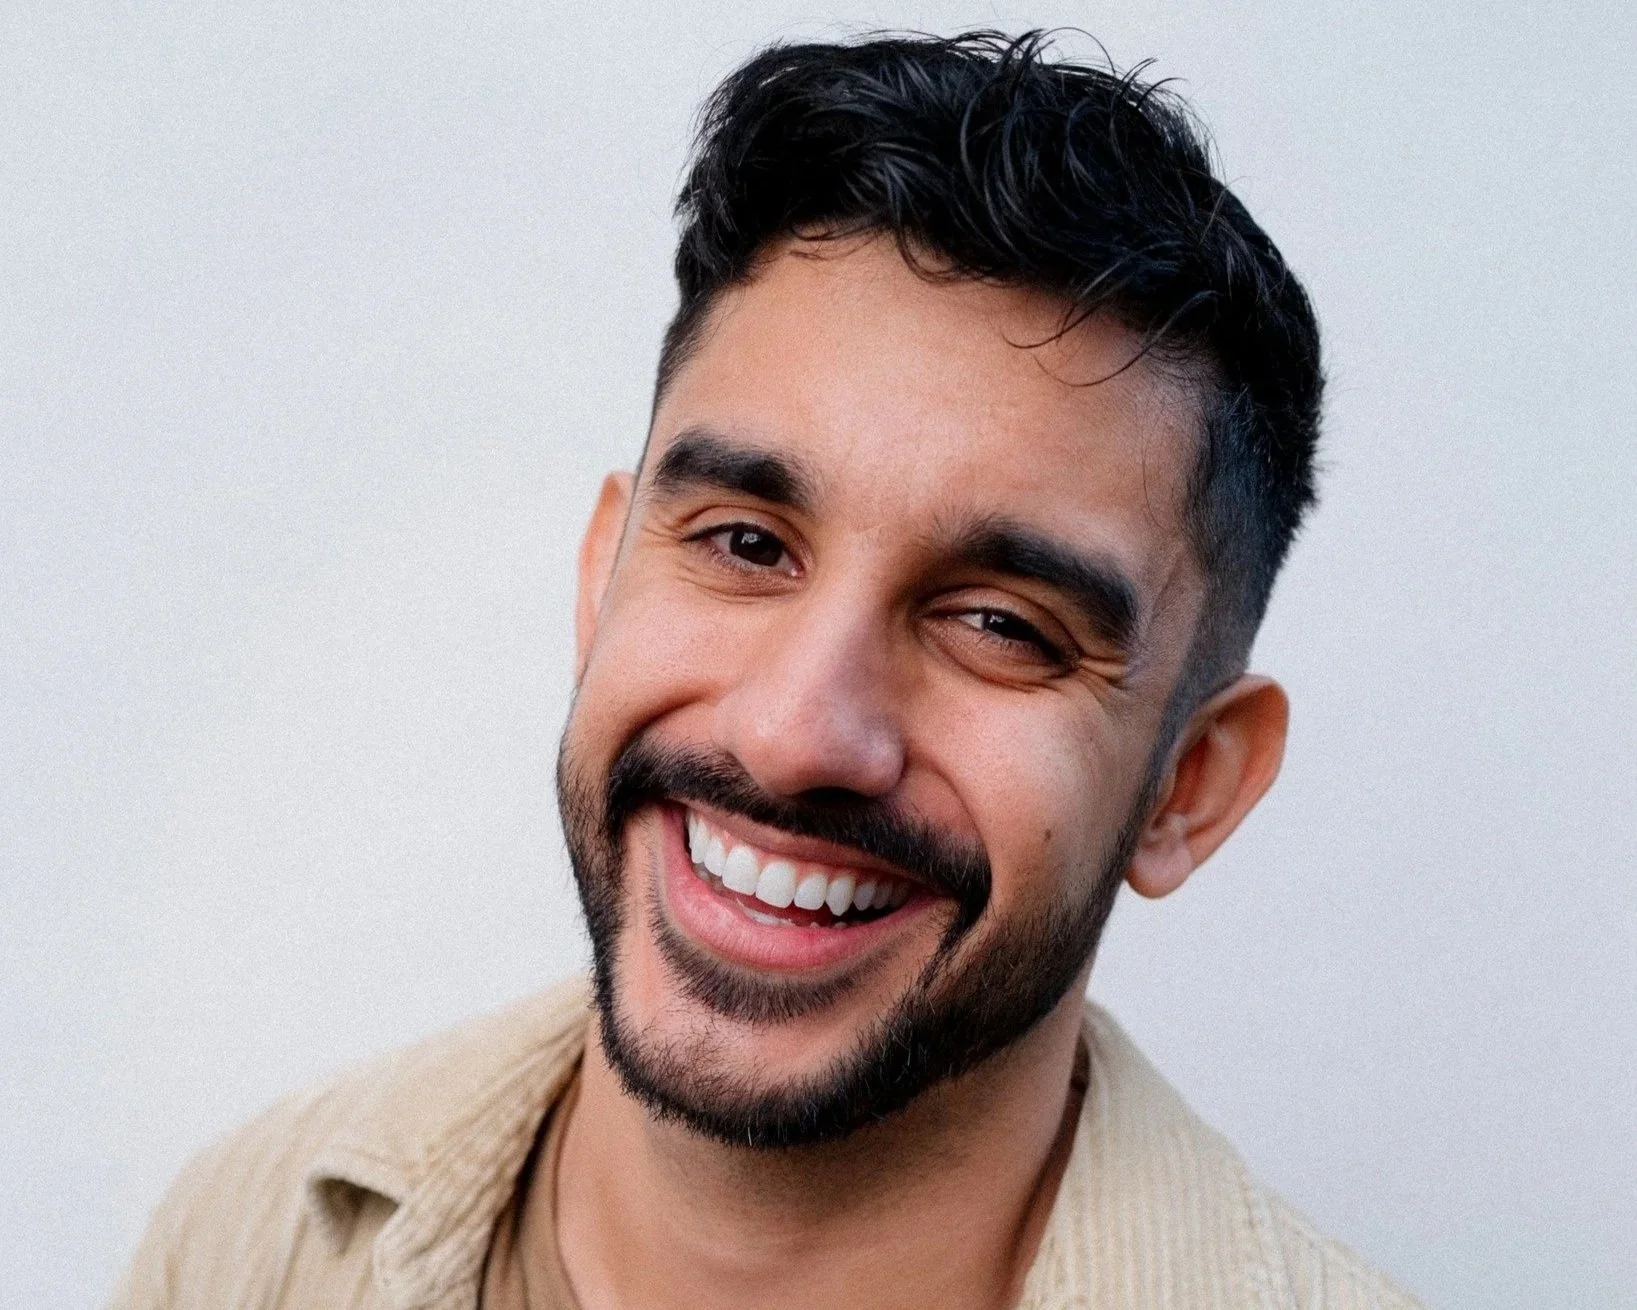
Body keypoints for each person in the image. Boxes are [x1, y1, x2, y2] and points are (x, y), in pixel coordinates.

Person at [112, 30, 1421, 1310]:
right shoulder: (244, 1244)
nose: (797, 733)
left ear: (1190, 784)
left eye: (1000, 624)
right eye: (745, 544)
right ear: (603, 581)